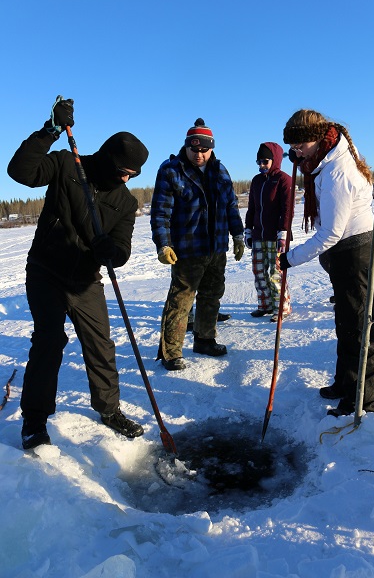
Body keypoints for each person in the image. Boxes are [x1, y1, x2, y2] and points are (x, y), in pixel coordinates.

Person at [7, 97, 149, 449]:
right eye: (123, 172)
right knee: (49, 341)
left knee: (101, 344)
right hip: (46, 271)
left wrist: (111, 253)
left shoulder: (126, 202)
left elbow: (123, 249)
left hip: (86, 280)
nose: (126, 178)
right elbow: (20, 172)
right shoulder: (68, 166)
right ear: (108, 159)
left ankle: (109, 409)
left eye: (132, 175)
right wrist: (49, 131)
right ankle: (35, 420)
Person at [280, 109, 374, 417]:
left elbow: (329, 234)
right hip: (346, 253)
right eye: (293, 146)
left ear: (316, 138)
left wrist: (290, 259)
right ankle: (346, 383)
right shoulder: (324, 159)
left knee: (359, 327)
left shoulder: (338, 172)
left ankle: (363, 400)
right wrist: (302, 160)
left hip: (356, 253)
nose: (296, 152)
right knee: (346, 321)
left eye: (300, 145)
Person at [150, 118, 244, 371]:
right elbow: (160, 213)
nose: (199, 155)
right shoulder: (171, 170)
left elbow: (232, 206)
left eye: (204, 150)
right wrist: (163, 244)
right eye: (194, 150)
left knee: (212, 296)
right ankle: (170, 353)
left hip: (216, 247)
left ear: (211, 148)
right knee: (181, 301)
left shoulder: (220, 171)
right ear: (186, 147)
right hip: (187, 250)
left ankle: (204, 339)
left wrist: (237, 235)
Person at [244, 142, 293, 322]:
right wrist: (248, 230)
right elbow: (252, 208)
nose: (261, 166)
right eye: (259, 162)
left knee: (274, 272)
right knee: (259, 271)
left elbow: (287, 210)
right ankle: (264, 304)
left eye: (265, 161)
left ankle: (282, 307)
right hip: (259, 235)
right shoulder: (257, 181)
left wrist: (283, 233)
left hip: (276, 236)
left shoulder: (283, 179)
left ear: (275, 159)